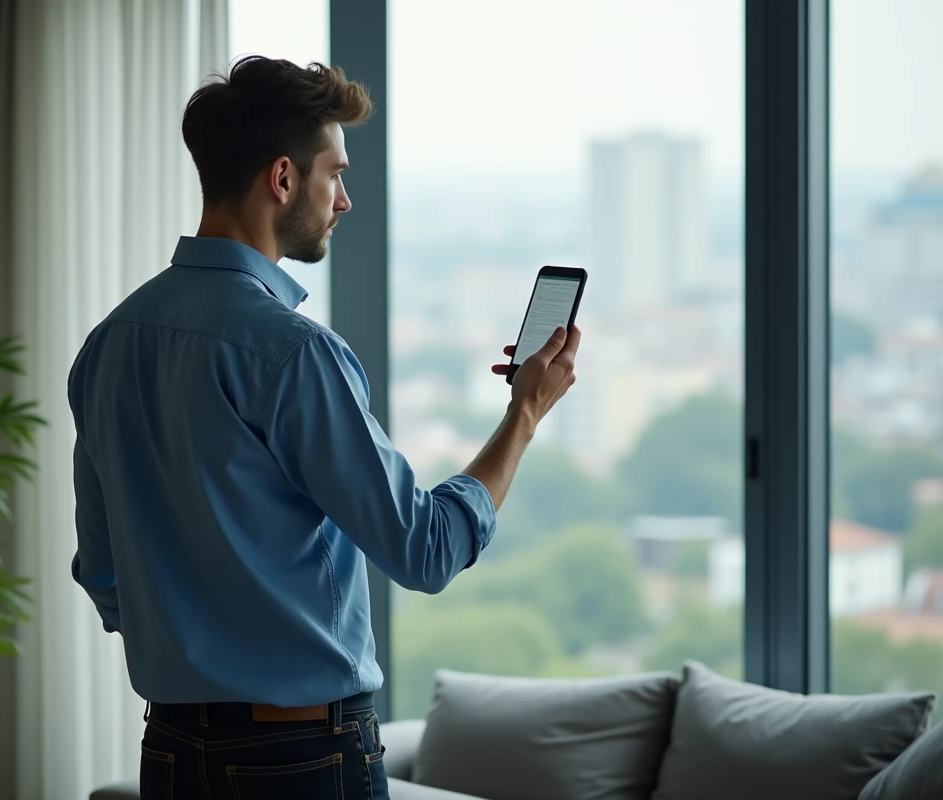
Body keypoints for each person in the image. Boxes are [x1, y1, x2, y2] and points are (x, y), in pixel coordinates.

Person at [67, 55, 581, 800]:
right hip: (299, 757)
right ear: (282, 179)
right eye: (333, 174)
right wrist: (525, 412)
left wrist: (188, 635)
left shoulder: (111, 341)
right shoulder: (294, 354)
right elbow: (426, 549)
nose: (344, 200)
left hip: (172, 751)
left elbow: (103, 571)